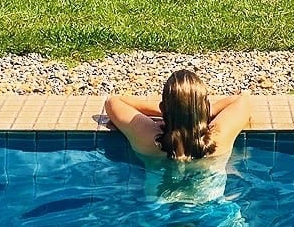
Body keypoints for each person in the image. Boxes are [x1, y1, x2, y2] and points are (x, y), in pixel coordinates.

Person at [104, 69, 251, 161]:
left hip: (158, 208)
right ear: (205, 108)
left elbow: (113, 101)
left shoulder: (147, 138)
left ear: (163, 108)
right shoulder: (219, 137)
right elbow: (242, 100)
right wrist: (200, 112)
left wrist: (170, 111)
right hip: (213, 207)